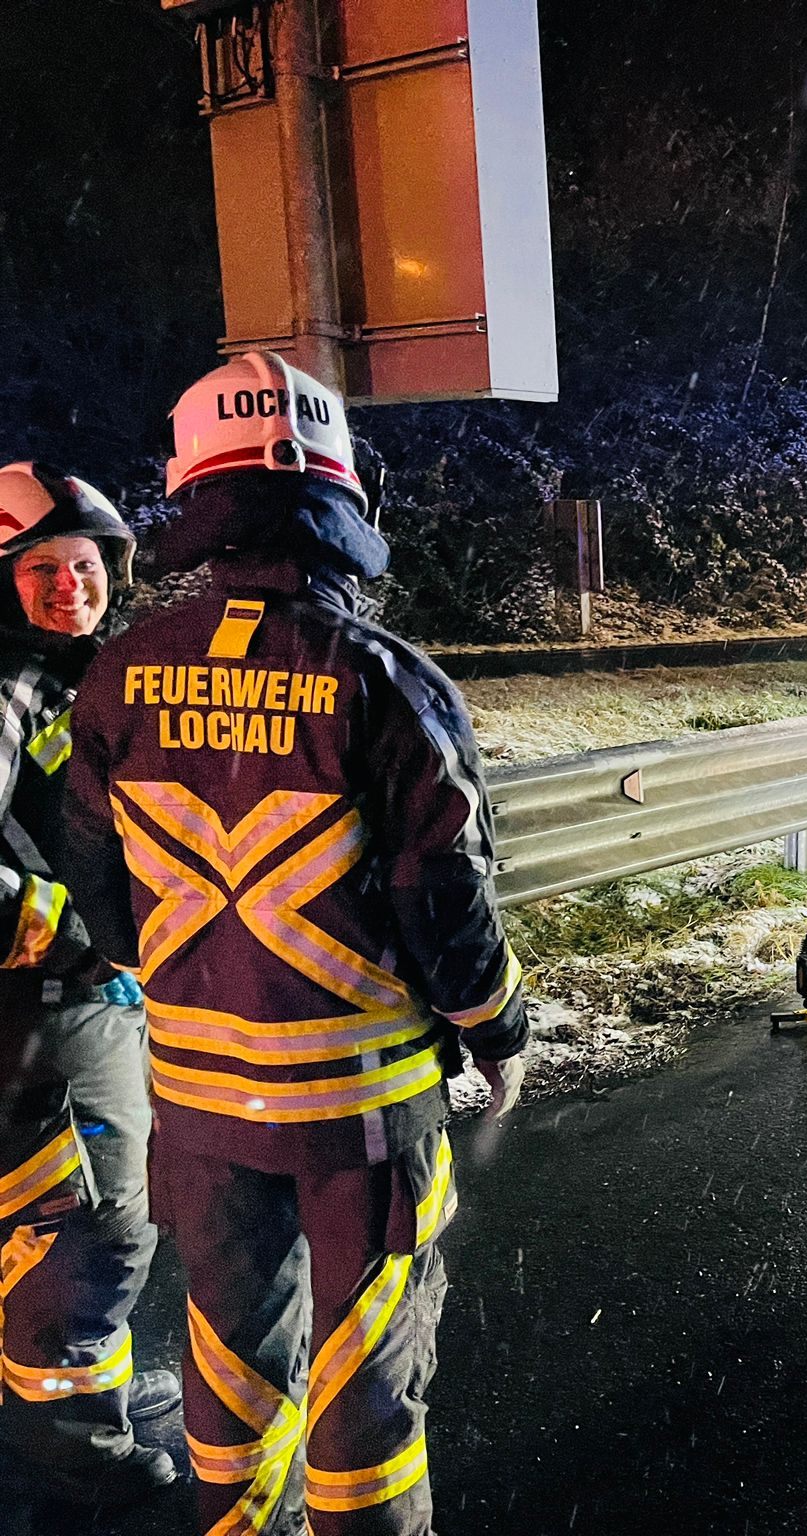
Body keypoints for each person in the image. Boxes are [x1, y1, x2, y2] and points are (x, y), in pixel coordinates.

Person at [60, 351, 528, 1536]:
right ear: (339, 501)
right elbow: (445, 896)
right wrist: (496, 1030)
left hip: (203, 1110)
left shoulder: (118, 675)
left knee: (227, 1351)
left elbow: (95, 883)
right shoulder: (382, 679)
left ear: (195, 501)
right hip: (361, 1117)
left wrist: (178, 982)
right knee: (367, 1373)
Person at [0, 464, 179, 1506]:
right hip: (46, 1014)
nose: (70, 586)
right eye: (39, 571)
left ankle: (70, 1400)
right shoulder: (14, 684)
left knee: (57, 1223)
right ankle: (80, 1453)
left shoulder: (77, 673)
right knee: (91, 1222)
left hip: (78, 1002)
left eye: (84, 564)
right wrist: (69, 938)